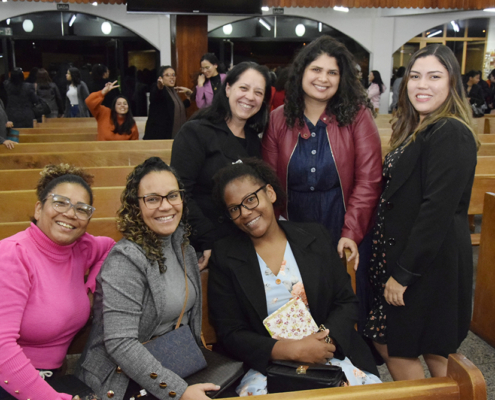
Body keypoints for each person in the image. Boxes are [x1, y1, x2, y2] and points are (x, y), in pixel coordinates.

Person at [208, 159, 381, 396]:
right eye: (234, 209)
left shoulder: (314, 236)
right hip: (268, 366)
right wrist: (289, 351)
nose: (245, 213)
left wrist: (323, 343)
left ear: (270, 193)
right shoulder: (225, 255)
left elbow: (346, 302)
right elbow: (230, 331)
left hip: (330, 355)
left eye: (250, 199)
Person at [362, 44, 479, 381]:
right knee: (425, 345)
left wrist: (403, 274)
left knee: (407, 343)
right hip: (413, 257)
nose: (422, 84)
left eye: (434, 76)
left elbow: (436, 211)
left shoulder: (450, 131)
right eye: (415, 76)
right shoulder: (421, 127)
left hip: (426, 263)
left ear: (452, 82)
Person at [262, 36, 382, 329]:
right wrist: (274, 235)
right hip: (294, 226)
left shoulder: (357, 116)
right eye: (316, 69)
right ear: (302, 72)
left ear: (342, 79)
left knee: (346, 307)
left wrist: (351, 232)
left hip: (343, 222)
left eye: (332, 72)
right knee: (300, 306)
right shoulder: (278, 119)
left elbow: (369, 180)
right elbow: (268, 182)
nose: (323, 78)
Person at [75, 157, 219, 400]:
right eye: (152, 199)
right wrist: (179, 391)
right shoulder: (126, 260)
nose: (166, 206)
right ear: (136, 205)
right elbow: (121, 344)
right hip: (121, 383)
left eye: (172, 195)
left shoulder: (182, 245)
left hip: (174, 365)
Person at [0, 164, 115, 400]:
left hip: (53, 378)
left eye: (82, 209)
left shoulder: (81, 247)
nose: (71, 214)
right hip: (11, 380)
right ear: (39, 208)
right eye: (60, 203)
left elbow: (110, 247)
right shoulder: (13, 254)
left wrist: (90, 290)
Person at [171, 62, 271, 270]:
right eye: (243, 88)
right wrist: (207, 238)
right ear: (228, 89)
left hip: (243, 237)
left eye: (258, 92)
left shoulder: (254, 141)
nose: (250, 97)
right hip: (202, 240)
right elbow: (179, 192)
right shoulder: (196, 132)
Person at [144, 66, 192, 140]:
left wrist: (189, 98)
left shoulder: (173, 92)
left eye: (173, 75)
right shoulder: (159, 89)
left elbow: (175, 107)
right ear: (161, 78)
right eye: (168, 75)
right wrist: (159, 87)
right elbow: (154, 96)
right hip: (159, 137)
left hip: (175, 136)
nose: (172, 77)